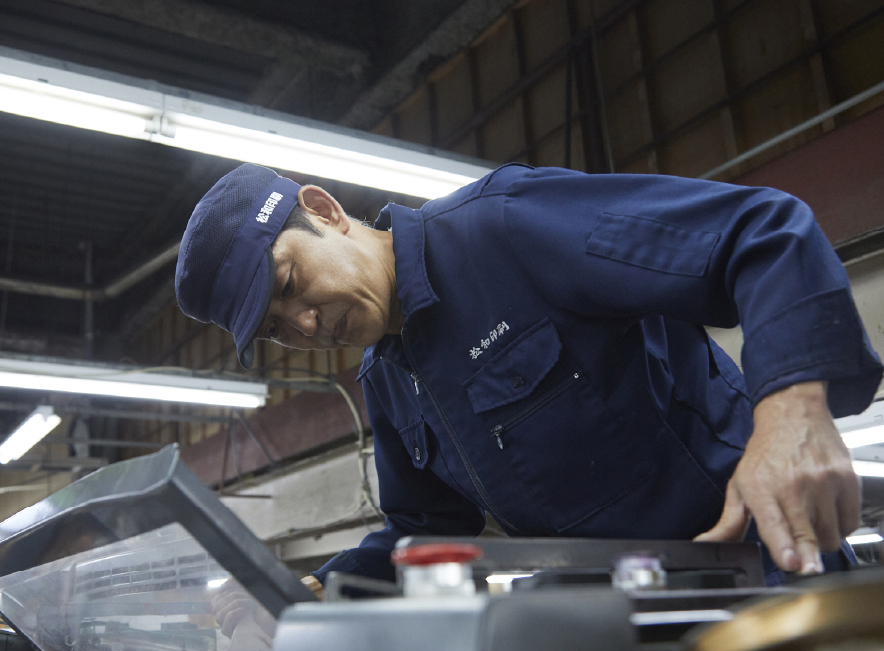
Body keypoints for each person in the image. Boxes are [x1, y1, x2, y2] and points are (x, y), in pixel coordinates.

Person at [175, 162, 883, 593]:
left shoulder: (506, 230)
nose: (300, 325)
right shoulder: (387, 381)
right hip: (627, 626)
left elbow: (760, 231)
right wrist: (307, 591)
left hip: (773, 577)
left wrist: (791, 412)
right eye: (274, 326)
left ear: (326, 212)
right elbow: (419, 534)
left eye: (291, 283)